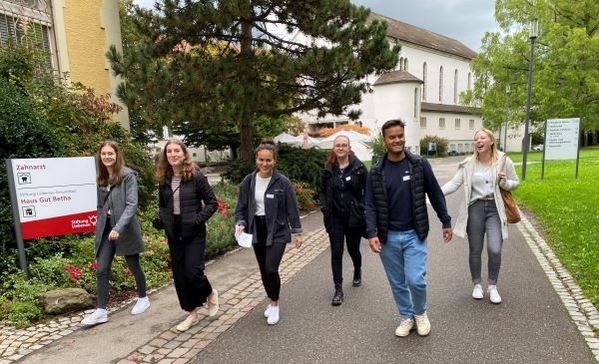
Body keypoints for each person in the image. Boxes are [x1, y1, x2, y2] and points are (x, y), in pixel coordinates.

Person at [365, 119, 453, 338]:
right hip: (388, 238)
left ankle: (420, 313)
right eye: (392, 137)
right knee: (397, 282)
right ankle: (406, 316)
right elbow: (369, 204)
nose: (397, 140)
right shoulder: (376, 171)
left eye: (400, 135)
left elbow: (435, 193)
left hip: (415, 233)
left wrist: (445, 221)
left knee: (415, 280)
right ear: (384, 140)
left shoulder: (419, 164)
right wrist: (372, 233)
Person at [441, 129, 519, 304]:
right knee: (475, 249)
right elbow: (454, 183)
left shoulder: (504, 160)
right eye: (476, 139)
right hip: (474, 209)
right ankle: (477, 284)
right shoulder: (468, 163)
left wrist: (505, 182)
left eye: (482, 138)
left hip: (495, 208)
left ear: (491, 141)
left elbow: (515, 183)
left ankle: (492, 286)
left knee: (495, 248)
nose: (478, 141)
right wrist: (434, 194)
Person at [235, 140, 303, 325]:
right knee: (264, 270)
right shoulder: (249, 181)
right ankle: (271, 298)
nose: (264, 164)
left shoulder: (282, 182)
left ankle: (274, 303)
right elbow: (241, 207)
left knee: (271, 268)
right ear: (256, 159)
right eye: (261, 160)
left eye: (268, 160)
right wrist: (241, 222)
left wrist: (297, 232)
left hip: (278, 230)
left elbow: (292, 209)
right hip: (257, 229)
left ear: (275, 161)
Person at [82, 141, 150, 326]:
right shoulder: (101, 177)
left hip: (124, 228)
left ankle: (143, 297)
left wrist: (118, 227)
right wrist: (101, 222)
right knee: (102, 268)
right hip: (106, 228)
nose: (106, 157)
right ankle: (101, 310)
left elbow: (131, 204)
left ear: (117, 154)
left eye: (110, 153)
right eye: (103, 154)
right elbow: (99, 206)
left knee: (133, 264)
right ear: (100, 156)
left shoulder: (127, 175)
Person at [155, 139, 219, 332]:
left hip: (194, 233)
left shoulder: (196, 176)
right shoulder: (164, 179)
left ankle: (210, 293)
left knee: (193, 272)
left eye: (176, 151)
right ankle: (191, 313)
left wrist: (196, 220)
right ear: (166, 156)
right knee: (180, 276)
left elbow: (212, 203)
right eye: (169, 152)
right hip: (174, 234)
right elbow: (164, 205)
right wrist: (161, 220)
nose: (173, 154)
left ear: (184, 154)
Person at [320, 135, 367, 306]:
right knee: (336, 252)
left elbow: (367, 190)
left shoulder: (359, 168)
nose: (340, 148)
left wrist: (362, 207)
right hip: (335, 218)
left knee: (353, 249)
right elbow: (323, 192)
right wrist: (324, 207)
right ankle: (338, 289)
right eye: (338, 145)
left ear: (349, 148)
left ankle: (357, 269)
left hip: (354, 218)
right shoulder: (328, 169)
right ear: (334, 148)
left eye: (343, 145)